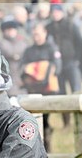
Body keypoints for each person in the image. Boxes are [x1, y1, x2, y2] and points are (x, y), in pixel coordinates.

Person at [21, 22, 61, 151]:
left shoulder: (52, 48)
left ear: (45, 33)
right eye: (34, 34)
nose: (36, 37)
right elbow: (23, 69)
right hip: (33, 90)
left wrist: (44, 71)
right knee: (33, 120)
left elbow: (57, 66)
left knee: (45, 119)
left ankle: (47, 145)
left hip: (48, 90)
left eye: (38, 34)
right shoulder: (29, 51)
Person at [0, 19, 29, 98]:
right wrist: (17, 55)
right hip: (8, 77)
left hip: (21, 79)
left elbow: (26, 51)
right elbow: (9, 52)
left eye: (13, 29)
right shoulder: (1, 43)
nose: (11, 32)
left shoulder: (22, 42)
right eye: (9, 30)